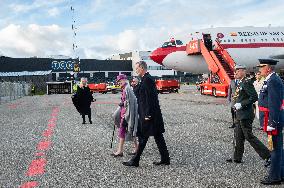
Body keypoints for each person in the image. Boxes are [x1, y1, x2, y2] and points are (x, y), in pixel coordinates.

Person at [122, 61, 170, 167]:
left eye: (137, 68)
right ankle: (165, 159)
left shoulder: (147, 79)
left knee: (144, 136)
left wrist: (148, 114)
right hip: (151, 114)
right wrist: (135, 86)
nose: (136, 70)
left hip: (149, 115)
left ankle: (135, 160)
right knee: (158, 137)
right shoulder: (144, 79)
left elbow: (150, 98)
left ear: (142, 68)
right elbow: (139, 94)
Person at [226, 64, 271, 164]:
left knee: (249, 136)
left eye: (237, 70)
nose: (235, 72)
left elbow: (254, 97)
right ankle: (237, 157)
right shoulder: (240, 83)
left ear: (243, 71)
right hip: (239, 114)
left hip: (245, 114)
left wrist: (241, 104)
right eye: (235, 70)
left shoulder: (246, 83)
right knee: (238, 136)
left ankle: (268, 155)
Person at [257, 59, 284, 185]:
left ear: (268, 68)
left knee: (275, 149)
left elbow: (275, 104)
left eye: (261, 67)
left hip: (272, 120)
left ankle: (274, 177)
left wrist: (272, 123)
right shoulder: (270, 79)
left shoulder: (273, 81)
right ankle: (280, 173)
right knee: (276, 148)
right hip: (269, 118)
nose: (259, 69)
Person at [111, 74, 139, 157]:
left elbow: (131, 101)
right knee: (128, 130)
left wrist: (123, 103)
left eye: (120, 80)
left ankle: (120, 151)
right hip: (125, 113)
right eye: (118, 81)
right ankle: (136, 148)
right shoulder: (125, 89)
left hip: (126, 114)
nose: (119, 82)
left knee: (123, 131)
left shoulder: (128, 89)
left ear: (124, 80)